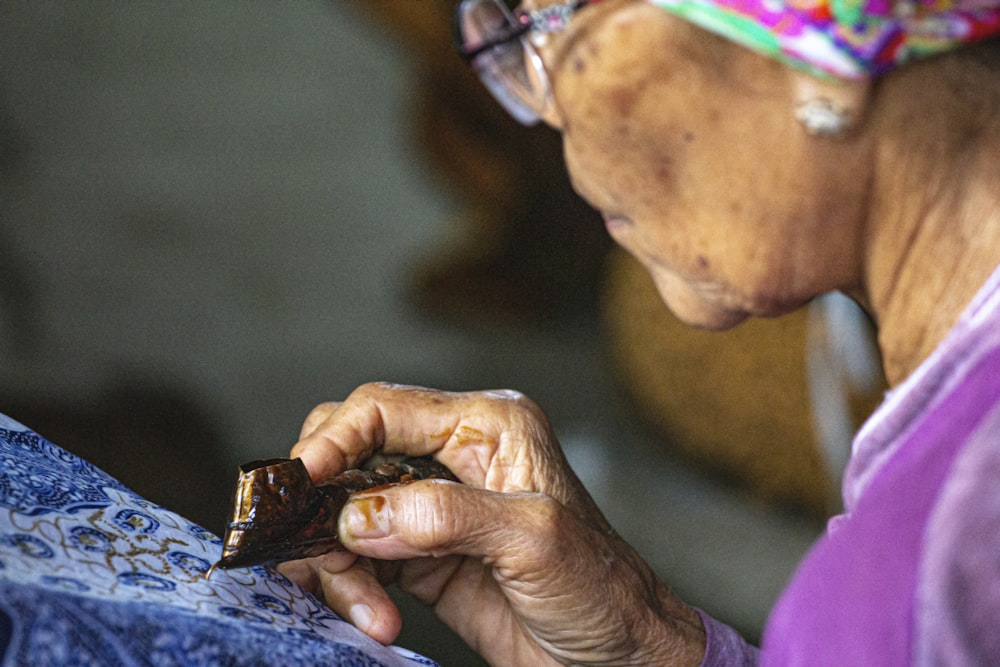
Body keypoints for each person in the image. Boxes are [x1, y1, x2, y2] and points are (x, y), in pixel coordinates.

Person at [279, 0, 1000, 664]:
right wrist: (649, 640)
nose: (549, 107)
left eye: (554, 22)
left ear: (825, 49)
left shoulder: (941, 540)